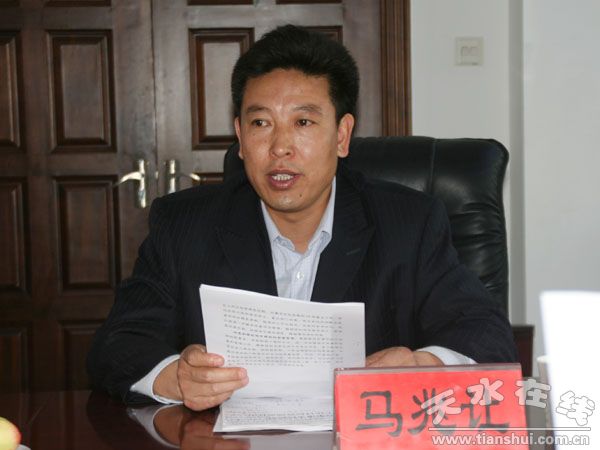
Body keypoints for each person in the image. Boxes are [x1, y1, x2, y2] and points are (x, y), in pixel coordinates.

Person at [87, 24, 516, 411]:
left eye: (304, 122)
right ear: (240, 138)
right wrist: (176, 378)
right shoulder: (184, 225)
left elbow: (487, 335)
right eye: (261, 123)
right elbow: (117, 345)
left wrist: (422, 365)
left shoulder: (408, 223)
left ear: (342, 136)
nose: (280, 147)